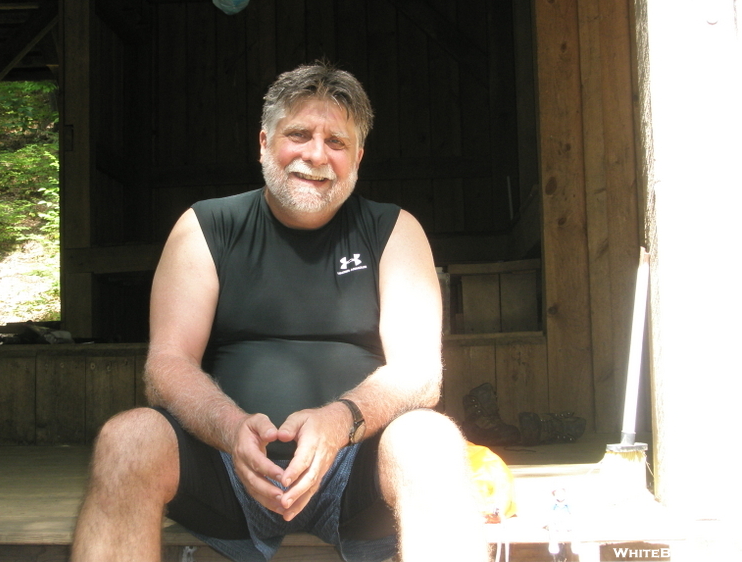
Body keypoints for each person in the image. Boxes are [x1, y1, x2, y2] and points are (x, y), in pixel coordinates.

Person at [71, 62, 485, 562]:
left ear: (358, 156)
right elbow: (166, 365)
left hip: (358, 461)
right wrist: (228, 426)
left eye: (336, 141)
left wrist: (339, 422)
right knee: (127, 438)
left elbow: (419, 374)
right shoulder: (206, 226)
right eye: (299, 134)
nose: (316, 154)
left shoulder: (393, 230)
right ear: (264, 142)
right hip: (227, 460)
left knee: (432, 439)